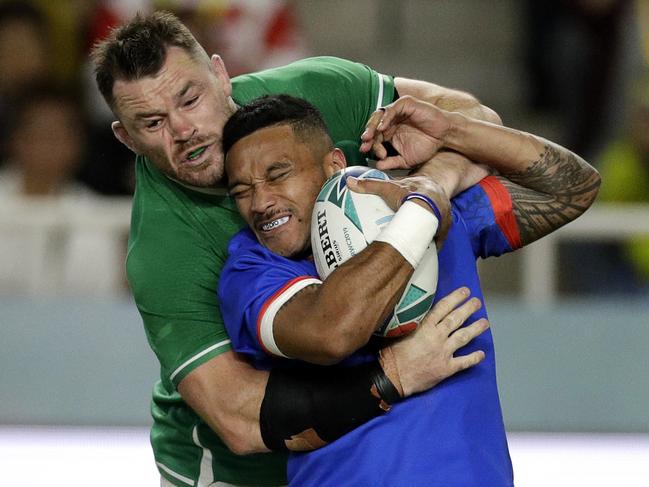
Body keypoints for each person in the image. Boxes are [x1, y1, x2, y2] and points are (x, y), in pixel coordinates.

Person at [91, 11, 499, 486]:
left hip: (342, 449)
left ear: (222, 75)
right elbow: (239, 420)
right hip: (233, 470)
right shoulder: (163, 252)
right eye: (153, 122)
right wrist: (394, 375)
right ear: (126, 138)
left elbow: (476, 122)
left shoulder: (319, 91)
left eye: (191, 99)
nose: (183, 130)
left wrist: (434, 183)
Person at [218, 94, 600, 485]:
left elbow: (573, 188)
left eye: (278, 174)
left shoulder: (416, 204)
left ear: (334, 164)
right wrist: (422, 210)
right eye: (242, 191)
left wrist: (453, 134)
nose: (261, 202)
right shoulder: (251, 270)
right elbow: (332, 332)